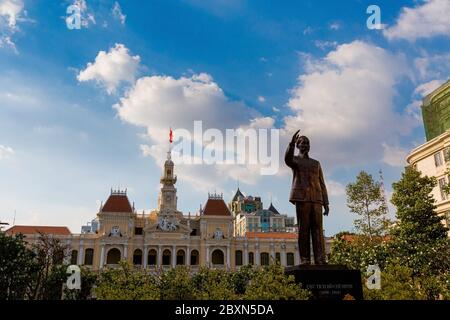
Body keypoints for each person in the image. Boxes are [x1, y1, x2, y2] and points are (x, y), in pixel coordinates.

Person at [285, 130, 329, 265]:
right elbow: (287, 159)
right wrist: (291, 144)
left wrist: (326, 203)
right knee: (304, 229)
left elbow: (322, 182)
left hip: (316, 198)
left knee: (317, 230)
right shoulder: (295, 160)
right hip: (302, 198)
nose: (305, 145)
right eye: (302, 143)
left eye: (307, 143)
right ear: (298, 146)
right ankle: (305, 259)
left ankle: (320, 259)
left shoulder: (316, 163)